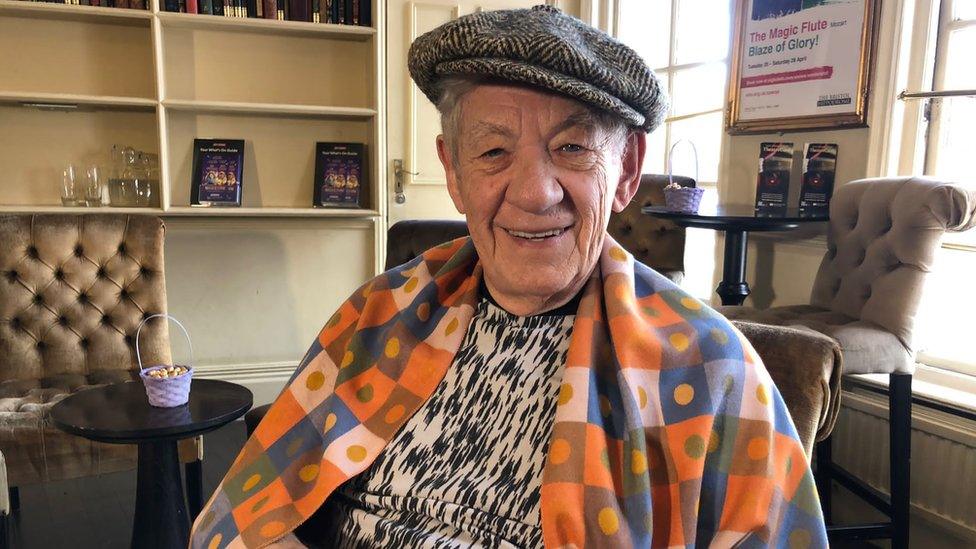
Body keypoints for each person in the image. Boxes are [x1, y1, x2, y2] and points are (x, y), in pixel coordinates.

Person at [190, 6, 827, 548]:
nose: (533, 192)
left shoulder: (710, 369)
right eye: (493, 151)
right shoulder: (377, 314)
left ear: (628, 168)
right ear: (453, 169)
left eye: (573, 149)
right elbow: (247, 511)